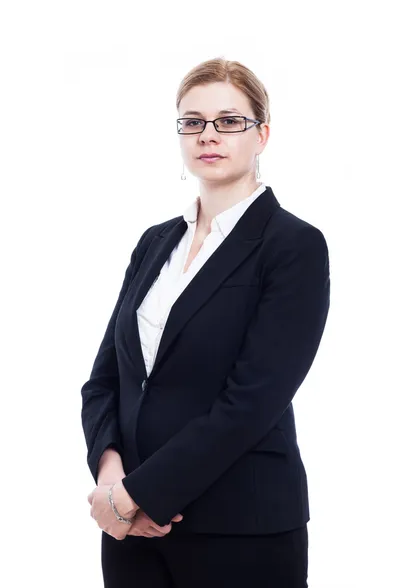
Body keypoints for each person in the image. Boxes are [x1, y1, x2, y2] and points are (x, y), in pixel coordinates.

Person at [81, 56, 330, 588]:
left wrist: (140, 493)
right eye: (192, 121)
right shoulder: (155, 243)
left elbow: (251, 402)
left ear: (261, 134)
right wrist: (110, 481)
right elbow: (107, 378)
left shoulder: (293, 247)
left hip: (241, 532)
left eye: (228, 120)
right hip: (132, 534)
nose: (207, 134)